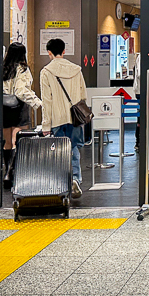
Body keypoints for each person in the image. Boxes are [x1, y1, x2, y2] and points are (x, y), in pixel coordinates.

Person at [39, 37, 88, 199]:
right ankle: (75, 179)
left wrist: (46, 125)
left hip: (57, 118)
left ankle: (61, 183)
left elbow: (47, 101)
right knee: (73, 148)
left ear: (49, 53)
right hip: (75, 118)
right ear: (64, 51)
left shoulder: (46, 72)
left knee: (59, 151)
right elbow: (83, 95)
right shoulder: (76, 69)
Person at [1, 42, 42, 184]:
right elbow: (21, 91)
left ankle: (7, 171)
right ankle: (12, 172)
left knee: (7, 142)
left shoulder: (3, 68)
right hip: (19, 108)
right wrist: (37, 103)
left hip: (4, 107)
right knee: (16, 141)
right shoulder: (23, 69)